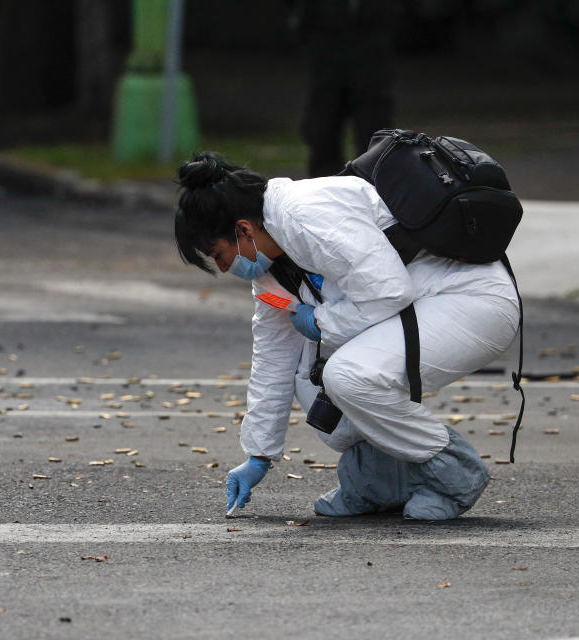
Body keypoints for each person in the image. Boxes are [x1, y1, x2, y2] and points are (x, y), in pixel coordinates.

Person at [174, 152, 520, 520]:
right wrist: (258, 454)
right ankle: (376, 484)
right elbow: (272, 361)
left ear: (243, 230)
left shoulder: (304, 215)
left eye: (220, 256)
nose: (225, 269)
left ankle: (454, 474)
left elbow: (388, 292)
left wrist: (322, 322)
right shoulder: (271, 272)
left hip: (469, 301)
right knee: (317, 392)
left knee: (347, 378)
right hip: (418, 307)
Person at [291, 0, 399, 177]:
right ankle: (324, 191)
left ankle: (373, 185)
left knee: (374, 134)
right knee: (323, 132)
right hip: (326, 64)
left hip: (371, 66)